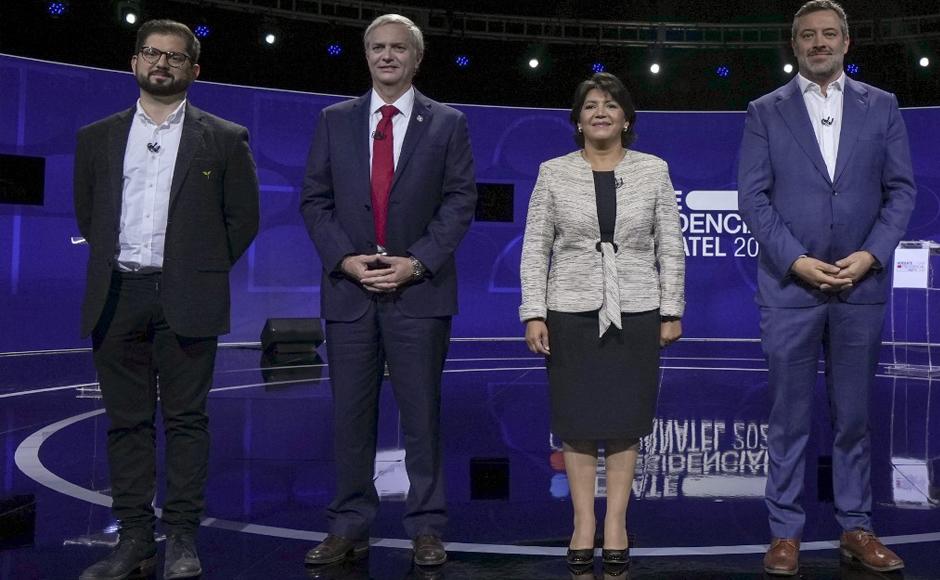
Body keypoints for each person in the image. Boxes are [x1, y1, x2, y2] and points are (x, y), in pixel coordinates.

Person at [73, 19, 260, 580]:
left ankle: (181, 537)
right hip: (116, 294)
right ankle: (133, 539)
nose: (162, 64)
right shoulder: (97, 137)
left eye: (175, 58)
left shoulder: (225, 138)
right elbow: (90, 213)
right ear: (134, 62)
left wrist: (196, 270)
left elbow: (242, 220)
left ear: (193, 70)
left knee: (186, 423)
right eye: (152, 54)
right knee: (126, 424)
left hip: (186, 297)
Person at [737, 1, 916, 575]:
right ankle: (785, 532)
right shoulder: (765, 111)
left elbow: (901, 193)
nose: (819, 43)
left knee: (854, 418)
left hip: (860, 287)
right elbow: (753, 198)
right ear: (795, 46)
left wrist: (870, 255)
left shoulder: (883, 106)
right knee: (789, 417)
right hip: (792, 288)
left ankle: (856, 527)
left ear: (847, 42)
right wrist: (796, 261)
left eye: (829, 34)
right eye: (808, 36)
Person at [299, 13, 477, 568]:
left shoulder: (447, 124)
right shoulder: (335, 120)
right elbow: (315, 200)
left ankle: (426, 527)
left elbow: (459, 202)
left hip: (418, 294)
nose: (387, 56)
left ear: (416, 58)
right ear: (366, 55)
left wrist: (416, 263)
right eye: (377, 47)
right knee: (351, 418)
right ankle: (349, 524)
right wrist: (347, 261)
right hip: (350, 294)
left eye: (398, 48)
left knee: (421, 416)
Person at [519, 72, 685, 571]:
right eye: (590, 105)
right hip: (569, 310)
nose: (600, 112)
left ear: (626, 118)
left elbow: (670, 246)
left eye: (610, 105)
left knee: (623, 422)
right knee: (577, 422)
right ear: (577, 119)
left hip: (635, 309)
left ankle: (615, 520)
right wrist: (533, 312)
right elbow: (535, 248)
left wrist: (671, 309)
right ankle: (582, 522)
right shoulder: (553, 172)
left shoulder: (654, 170)